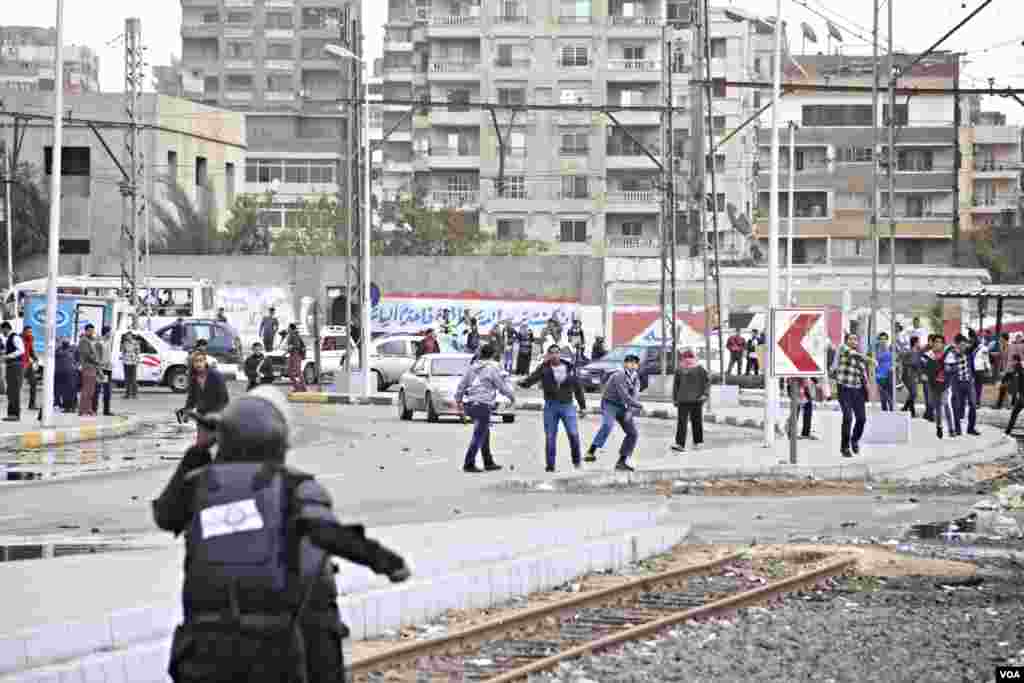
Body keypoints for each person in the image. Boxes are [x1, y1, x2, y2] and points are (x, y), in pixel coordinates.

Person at [153, 386, 410, 683]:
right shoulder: (291, 486)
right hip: (270, 645)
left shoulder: (198, 485)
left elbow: (165, 516)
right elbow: (326, 532)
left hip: (201, 645)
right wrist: (388, 562)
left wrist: (198, 451)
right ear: (278, 438)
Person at [518, 344, 587, 472]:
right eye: (552, 353)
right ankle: (550, 466)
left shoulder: (570, 368)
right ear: (548, 355)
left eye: (557, 352)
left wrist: (583, 407)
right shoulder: (544, 368)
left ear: (560, 354)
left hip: (567, 406)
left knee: (573, 434)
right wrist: (521, 383)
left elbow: (578, 388)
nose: (555, 355)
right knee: (550, 437)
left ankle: (577, 462)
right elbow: (531, 380)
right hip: (551, 406)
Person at [454, 343, 515, 473]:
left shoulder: (472, 368)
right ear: (493, 355)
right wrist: (511, 396)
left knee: (484, 433)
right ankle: (468, 463)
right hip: (483, 405)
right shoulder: (492, 368)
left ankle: (488, 462)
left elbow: (461, 386)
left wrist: (458, 401)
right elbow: (501, 386)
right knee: (478, 435)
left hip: (471, 404)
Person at [585, 352, 643, 471]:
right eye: (630, 362)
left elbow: (635, 396)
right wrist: (639, 406)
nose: (632, 365)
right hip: (609, 403)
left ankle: (622, 461)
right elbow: (625, 396)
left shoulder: (636, 379)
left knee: (633, 433)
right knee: (607, 425)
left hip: (623, 406)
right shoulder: (619, 375)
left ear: (637, 365)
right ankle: (591, 451)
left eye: (635, 363)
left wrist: (630, 411)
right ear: (625, 364)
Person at [831, 332, 869, 458]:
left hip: (857, 391)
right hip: (844, 388)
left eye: (855, 339)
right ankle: (845, 447)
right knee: (848, 417)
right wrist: (869, 359)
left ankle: (854, 440)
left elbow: (864, 376)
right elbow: (853, 354)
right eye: (851, 339)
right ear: (846, 341)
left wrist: (868, 388)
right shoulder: (843, 348)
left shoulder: (860, 359)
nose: (853, 341)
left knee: (862, 419)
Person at [182, 351, 230, 447]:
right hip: (201, 415)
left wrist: (219, 414)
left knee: (217, 443)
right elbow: (191, 397)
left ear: (205, 362)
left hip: (216, 414)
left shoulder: (215, 375)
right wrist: (187, 411)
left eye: (201, 361)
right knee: (201, 443)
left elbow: (224, 397)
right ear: (192, 364)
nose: (198, 364)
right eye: (196, 361)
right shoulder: (192, 377)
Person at [670, 348, 710, 453]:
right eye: (686, 358)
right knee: (681, 422)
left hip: (697, 400)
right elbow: (676, 385)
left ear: (693, 358)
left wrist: (705, 394)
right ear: (682, 359)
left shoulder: (700, 369)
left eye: (690, 357)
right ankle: (680, 444)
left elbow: (707, 382)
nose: (688, 360)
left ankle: (698, 442)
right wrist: (675, 399)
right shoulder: (679, 370)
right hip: (683, 400)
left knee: (697, 421)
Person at [945, 334, 978, 436]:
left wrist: (972, 333)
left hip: (969, 382)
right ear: (957, 345)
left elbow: (976, 344)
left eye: (965, 345)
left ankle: (971, 428)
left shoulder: (967, 351)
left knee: (973, 404)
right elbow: (946, 368)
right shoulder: (951, 354)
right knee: (956, 406)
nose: (964, 347)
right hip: (957, 384)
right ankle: (958, 429)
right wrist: (951, 368)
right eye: (962, 345)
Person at [923, 334, 954, 439]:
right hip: (934, 385)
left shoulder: (948, 355)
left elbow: (952, 369)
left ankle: (951, 429)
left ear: (943, 344)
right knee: (938, 407)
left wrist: (948, 370)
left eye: (940, 342)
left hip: (945, 385)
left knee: (945, 404)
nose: (937, 344)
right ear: (933, 343)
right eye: (936, 342)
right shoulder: (928, 355)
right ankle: (939, 426)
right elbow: (926, 369)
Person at [1, 321, 24, 421]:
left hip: (15, 366)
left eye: (2, 331)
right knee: (10, 390)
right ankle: (11, 414)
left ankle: (15, 414)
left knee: (14, 390)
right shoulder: (9, 339)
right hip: (10, 366)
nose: (2, 333)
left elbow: (21, 350)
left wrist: (8, 356)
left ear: (6, 328)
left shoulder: (15, 337)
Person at [77, 323, 99, 417]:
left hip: (92, 367)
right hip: (87, 367)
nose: (92, 332)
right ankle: (83, 410)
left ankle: (88, 409)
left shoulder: (90, 340)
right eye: (90, 330)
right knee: (87, 389)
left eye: (92, 330)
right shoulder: (84, 341)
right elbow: (87, 355)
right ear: (86, 331)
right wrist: (96, 359)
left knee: (91, 390)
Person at [93, 325, 115, 416]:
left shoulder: (108, 341)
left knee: (107, 391)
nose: (111, 333)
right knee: (97, 390)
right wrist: (99, 369)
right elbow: (97, 357)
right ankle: (94, 409)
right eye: (110, 331)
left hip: (108, 369)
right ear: (106, 332)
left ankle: (106, 410)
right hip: (101, 369)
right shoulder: (99, 343)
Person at [900, 336, 921, 418]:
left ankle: (906, 408)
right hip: (908, 375)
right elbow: (904, 362)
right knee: (913, 393)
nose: (919, 343)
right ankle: (911, 411)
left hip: (913, 375)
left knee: (913, 393)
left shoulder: (917, 352)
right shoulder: (909, 352)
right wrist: (912, 365)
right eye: (918, 342)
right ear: (915, 343)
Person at [55, 338, 77, 411]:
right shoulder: (59, 350)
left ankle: (70, 406)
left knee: (69, 390)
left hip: (70, 373)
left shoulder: (72, 350)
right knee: (65, 391)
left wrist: (76, 366)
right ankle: (67, 406)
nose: (65, 342)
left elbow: (78, 359)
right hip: (62, 373)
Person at [1004, 356, 1024, 436]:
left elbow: (1012, 375)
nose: (1012, 363)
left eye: (1013, 361)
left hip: (1022, 396)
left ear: (1016, 361)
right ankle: (1007, 432)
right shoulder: (1018, 368)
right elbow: (1011, 375)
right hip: (1021, 396)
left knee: (1014, 413)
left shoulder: (1019, 367)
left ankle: (1007, 432)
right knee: (1014, 413)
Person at [285, 324, 307, 393]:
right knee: (289, 372)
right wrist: (287, 350)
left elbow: (297, 345)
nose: (287, 329)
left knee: (298, 371)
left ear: (291, 329)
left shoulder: (295, 335)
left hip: (296, 355)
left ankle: (303, 387)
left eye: (288, 328)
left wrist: (291, 347)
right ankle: (297, 387)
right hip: (292, 355)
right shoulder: (291, 335)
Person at [875, 332, 894, 412]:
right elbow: (873, 361)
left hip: (890, 374)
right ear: (879, 340)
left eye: (884, 339)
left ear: (887, 340)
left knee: (891, 395)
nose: (883, 341)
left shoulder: (891, 349)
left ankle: (892, 412)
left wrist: (893, 366)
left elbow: (896, 361)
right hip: (880, 375)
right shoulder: (876, 351)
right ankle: (884, 413)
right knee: (883, 396)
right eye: (881, 339)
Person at [122, 330, 141, 400]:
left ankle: (134, 394)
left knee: (133, 379)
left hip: (133, 362)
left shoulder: (135, 343)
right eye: (127, 335)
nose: (127, 337)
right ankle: (127, 394)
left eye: (129, 335)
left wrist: (136, 360)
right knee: (127, 379)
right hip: (126, 362)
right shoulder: (125, 343)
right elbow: (123, 352)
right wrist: (123, 359)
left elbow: (138, 352)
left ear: (131, 336)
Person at [973, 333, 992, 406]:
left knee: (978, 386)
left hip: (980, 369)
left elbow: (986, 359)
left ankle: (977, 401)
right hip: (973, 369)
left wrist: (989, 369)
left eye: (980, 339)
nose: (978, 340)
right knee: (974, 386)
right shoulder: (974, 348)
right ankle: (974, 400)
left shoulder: (984, 348)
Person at [22, 325, 37, 411]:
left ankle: (32, 404)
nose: (30, 333)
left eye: (31, 332)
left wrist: (35, 358)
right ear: (24, 332)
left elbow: (31, 350)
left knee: (34, 383)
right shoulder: (19, 339)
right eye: (28, 332)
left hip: (28, 364)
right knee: (18, 385)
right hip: (21, 364)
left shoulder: (31, 338)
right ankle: (14, 404)